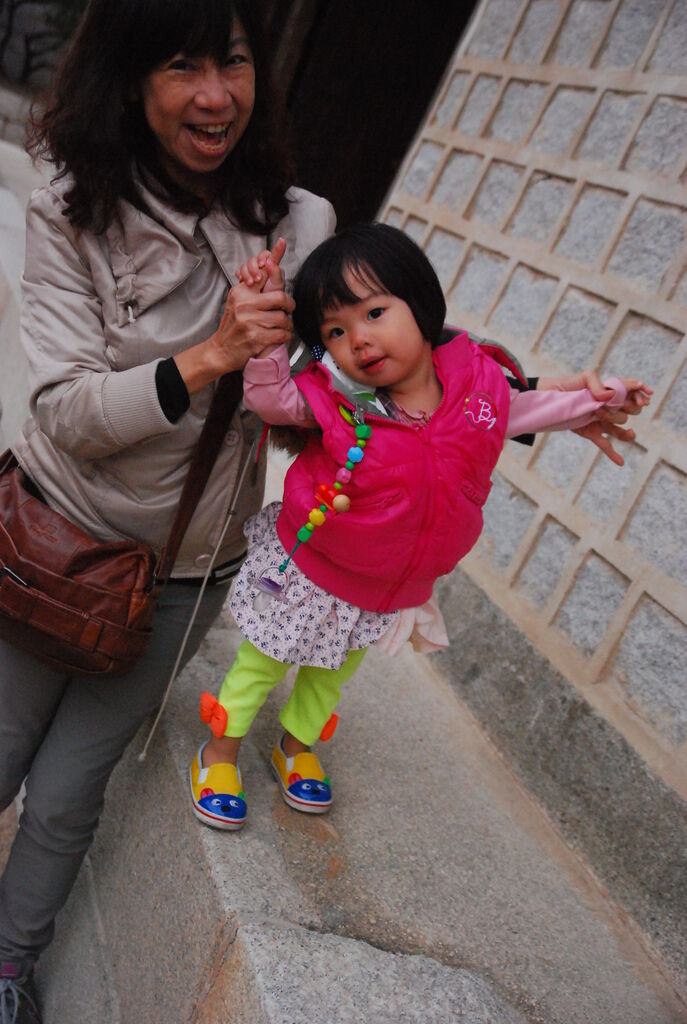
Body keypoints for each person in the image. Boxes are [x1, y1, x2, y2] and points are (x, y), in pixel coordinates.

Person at [0, 1, 337, 1020]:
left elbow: (330, 390)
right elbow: (67, 413)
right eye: (182, 67)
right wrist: (213, 354)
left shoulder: (303, 224)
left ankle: (9, 969)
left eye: (232, 62)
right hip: (54, 543)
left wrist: (514, 403)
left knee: (67, 798)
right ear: (130, 79)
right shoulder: (70, 210)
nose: (215, 96)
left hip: (183, 576)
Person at [189, 223, 651, 830]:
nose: (359, 339)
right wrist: (268, 315)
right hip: (310, 570)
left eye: (375, 312)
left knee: (330, 675)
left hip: (383, 587)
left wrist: (602, 395)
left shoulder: (478, 389)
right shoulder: (334, 396)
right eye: (335, 331)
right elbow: (270, 398)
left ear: (421, 303)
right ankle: (219, 753)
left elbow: (530, 407)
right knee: (264, 661)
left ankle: (295, 748)